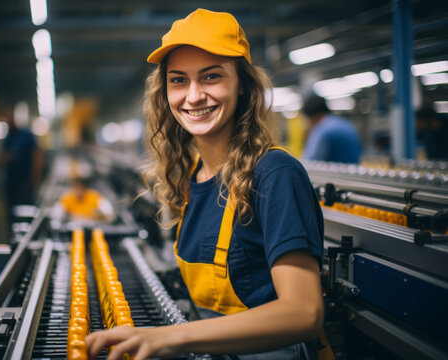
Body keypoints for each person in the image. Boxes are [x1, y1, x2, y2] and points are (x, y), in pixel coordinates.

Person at [85, 8, 325, 360]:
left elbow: (304, 313)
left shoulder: (275, 174)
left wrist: (172, 337)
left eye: (211, 77)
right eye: (179, 80)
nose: (193, 96)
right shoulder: (190, 173)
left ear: (242, 84)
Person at [0, 111, 43, 224]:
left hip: (25, 180)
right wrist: (7, 158)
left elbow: (36, 155)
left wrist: (36, 177)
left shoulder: (26, 135)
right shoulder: (7, 137)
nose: (8, 121)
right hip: (11, 181)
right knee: (11, 211)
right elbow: (2, 157)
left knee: (25, 210)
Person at [302, 94, 362, 163]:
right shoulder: (346, 124)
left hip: (334, 173)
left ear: (315, 116)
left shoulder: (322, 129)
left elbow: (310, 160)